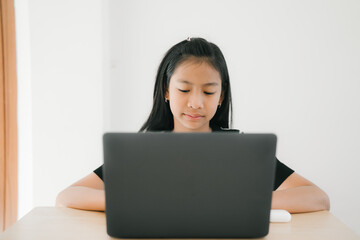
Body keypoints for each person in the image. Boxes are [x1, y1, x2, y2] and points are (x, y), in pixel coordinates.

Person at [56, 37, 330, 213]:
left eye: (209, 92)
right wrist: (137, 201)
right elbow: (67, 196)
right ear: (166, 90)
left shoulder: (241, 150)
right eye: (184, 90)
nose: (196, 103)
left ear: (221, 96)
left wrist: (242, 203)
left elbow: (317, 198)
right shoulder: (142, 151)